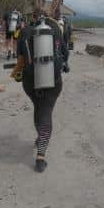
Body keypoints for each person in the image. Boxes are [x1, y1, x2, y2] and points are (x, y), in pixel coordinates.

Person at [15, 11, 69, 172]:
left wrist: (17, 75)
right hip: (53, 82)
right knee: (46, 111)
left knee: (38, 108)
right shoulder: (55, 30)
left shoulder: (24, 33)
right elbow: (65, 55)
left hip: (30, 83)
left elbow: (20, 59)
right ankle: (40, 156)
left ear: (33, 19)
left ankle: (41, 138)